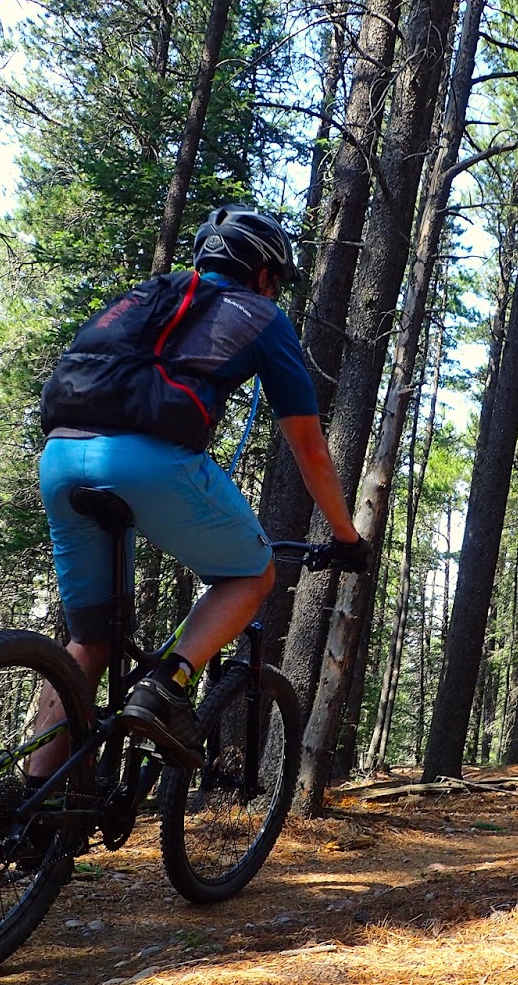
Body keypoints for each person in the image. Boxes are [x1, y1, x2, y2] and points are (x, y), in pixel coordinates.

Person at [30, 205, 367, 772]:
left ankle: (31, 809)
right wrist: (346, 537)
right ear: (263, 273)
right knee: (251, 573)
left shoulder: (146, 297)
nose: (276, 292)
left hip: (60, 456)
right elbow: (310, 448)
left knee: (89, 642)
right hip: (148, 463)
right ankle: (167, 684)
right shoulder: (262, 315)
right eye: (277, 281)